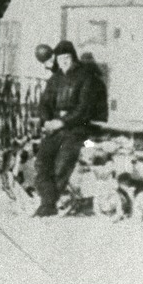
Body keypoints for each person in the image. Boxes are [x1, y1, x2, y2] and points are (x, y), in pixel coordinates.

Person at [32, 40, 101, 217]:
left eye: (67, 57)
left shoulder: (86, 78)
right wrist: (47, 121)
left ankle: (51, 203)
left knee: (62, 164)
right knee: (42, 162)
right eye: (61, 58)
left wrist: (61, 122)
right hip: (55, 128)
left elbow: (84, 109)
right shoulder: (55, 79)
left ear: (73, 58)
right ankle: (47, 203)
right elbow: (45, 103)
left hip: (77, 129)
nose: (64, 61)